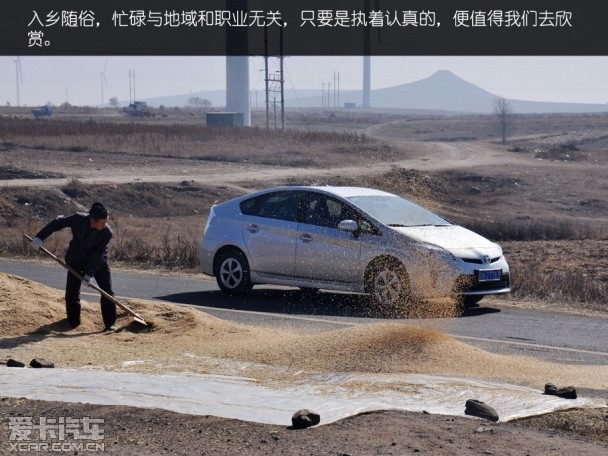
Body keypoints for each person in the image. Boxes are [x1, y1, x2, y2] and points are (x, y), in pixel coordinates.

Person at [31, 202, 116, 330]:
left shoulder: (106, 232)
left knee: (106, 291)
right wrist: (39, 237)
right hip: (76, 259)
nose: (105, 225)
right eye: (102, 222)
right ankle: (73, 322)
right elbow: (57, 223)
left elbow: (97, 255)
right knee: (71, 292)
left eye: (106, 222)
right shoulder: (78, 219)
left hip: (98, 263)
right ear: (93, 220)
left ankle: (110, 324)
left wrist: (89, 273)